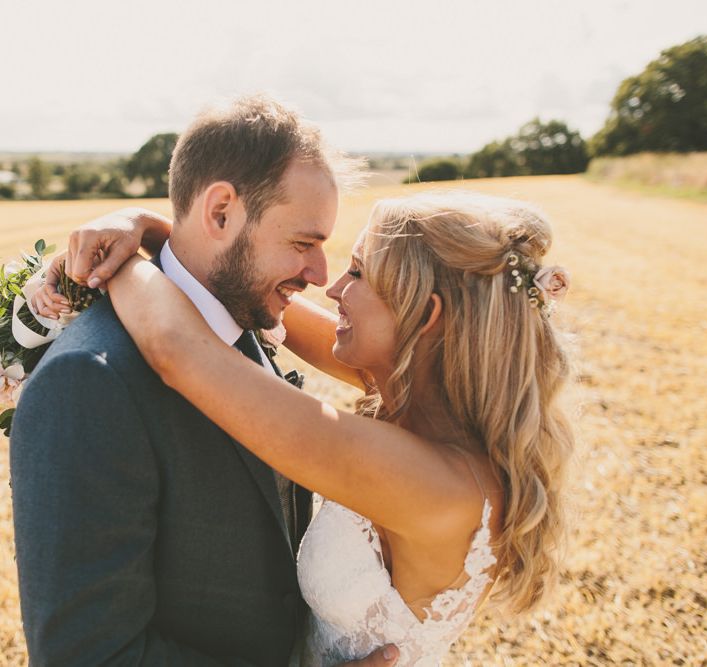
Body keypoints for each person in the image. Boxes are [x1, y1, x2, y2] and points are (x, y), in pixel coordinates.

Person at [34, 189, 574, 664]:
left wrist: (113, 262)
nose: (333, 287)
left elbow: (179, 352)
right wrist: (148, 227)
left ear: (425, 316)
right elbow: (259, 302)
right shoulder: (425, 392)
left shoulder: (435, 486)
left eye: (359, 272)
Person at [11, 95, 395, 666]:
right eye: (302, 243)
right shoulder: (89, 384)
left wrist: (144, 226)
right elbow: (87, 655)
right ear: (220, 213)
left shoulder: (247, 320)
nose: (319, 275)